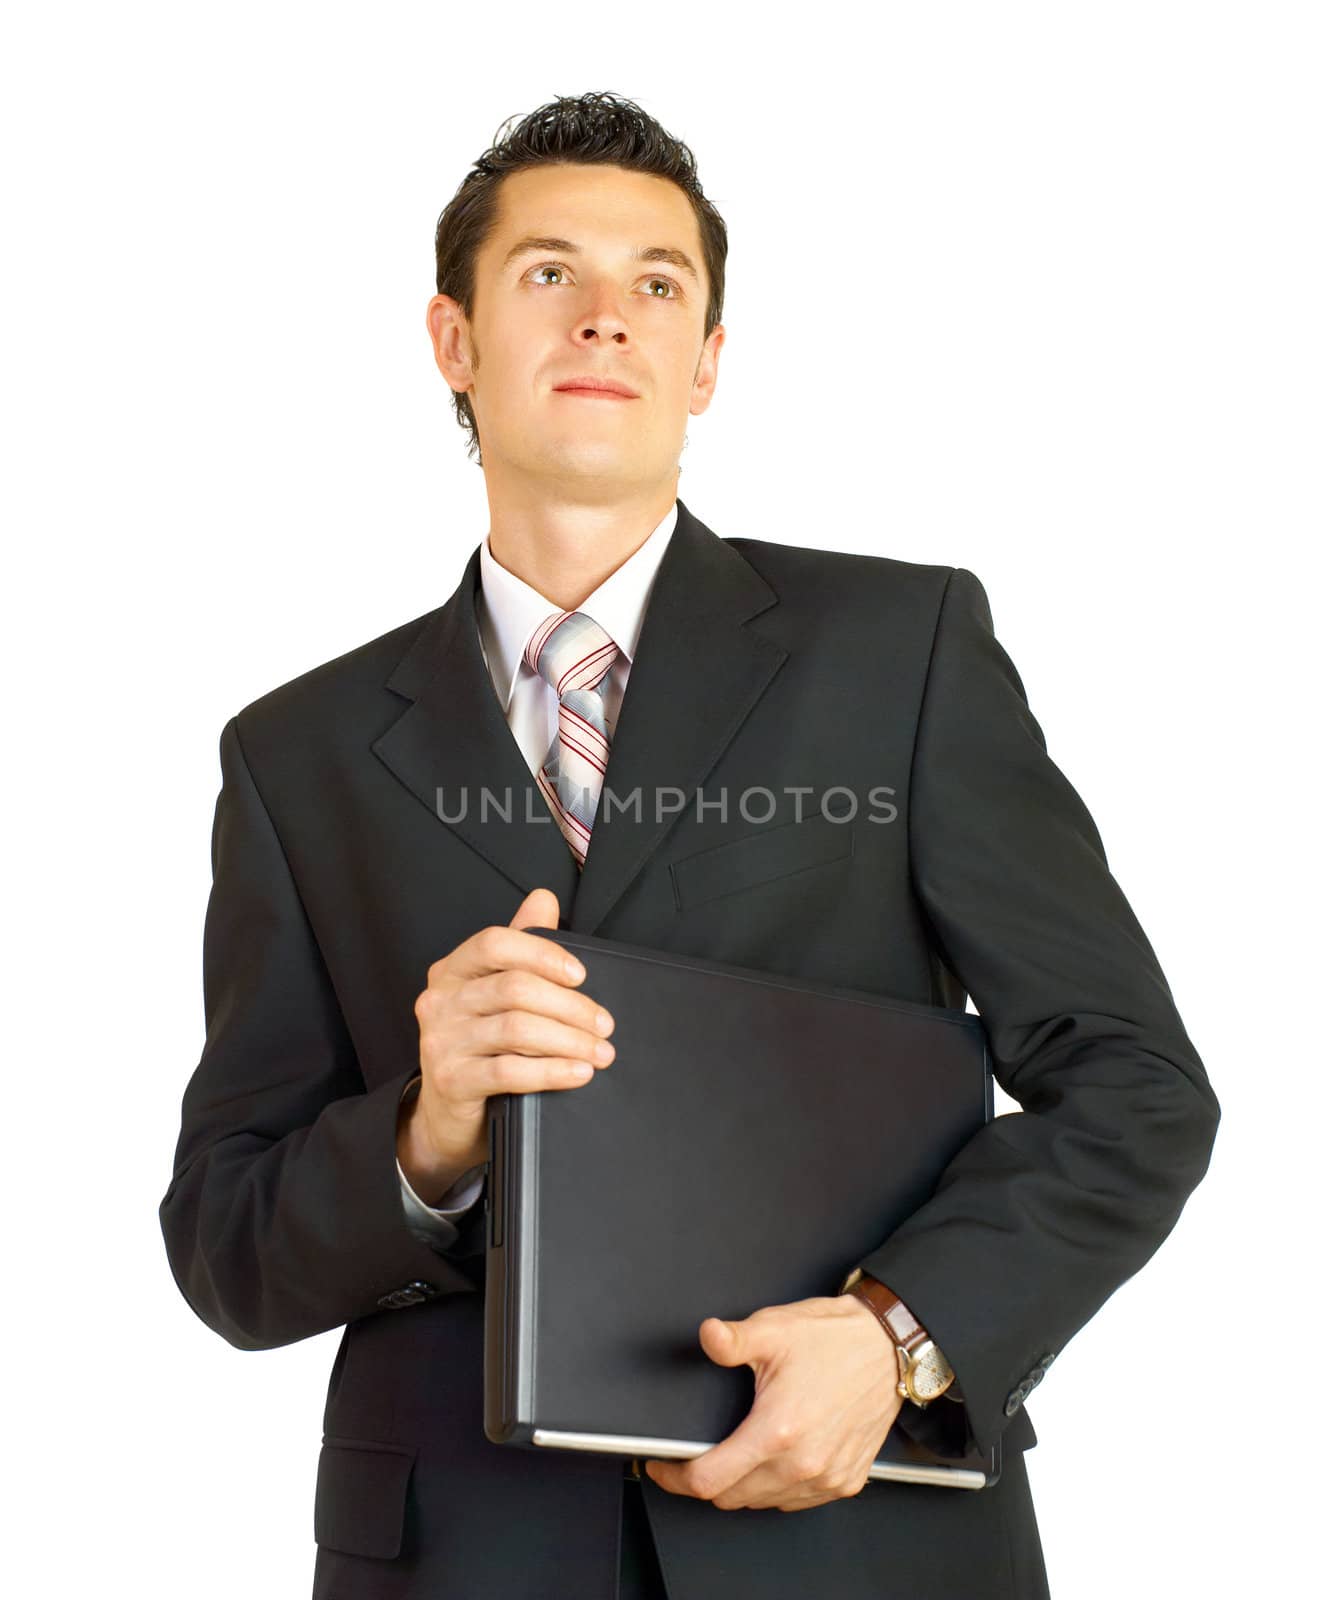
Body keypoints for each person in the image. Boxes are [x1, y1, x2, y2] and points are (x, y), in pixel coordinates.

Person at [158, 90, 1219, 1600]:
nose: (607, 319)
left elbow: (1132, 1083)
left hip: (862, 1535)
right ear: (453, 341)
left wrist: (896, 1336)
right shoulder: (297, 753)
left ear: (705, 359)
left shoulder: (897, 650)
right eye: (549, 275)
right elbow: (229, 1247)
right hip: (466, 1555)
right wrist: (429, 1126)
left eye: (656, 285)